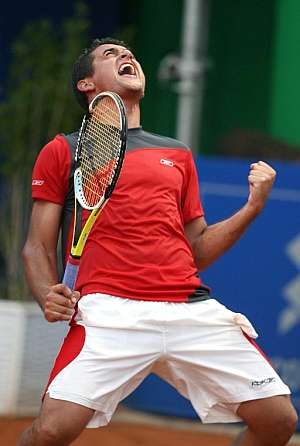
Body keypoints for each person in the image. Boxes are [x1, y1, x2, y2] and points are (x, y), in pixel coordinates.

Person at [18, 37, 298, 446]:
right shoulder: (66, 150)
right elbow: (37, 246)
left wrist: (252, 207)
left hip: (189, 309)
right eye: (110, 55)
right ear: (86, 84)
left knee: (278, 420)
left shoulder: (177, 154)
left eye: (128, 52)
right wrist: (47, 292)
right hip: (109, 311)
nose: (126, 56)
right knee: (51, 431)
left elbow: (197, 249)